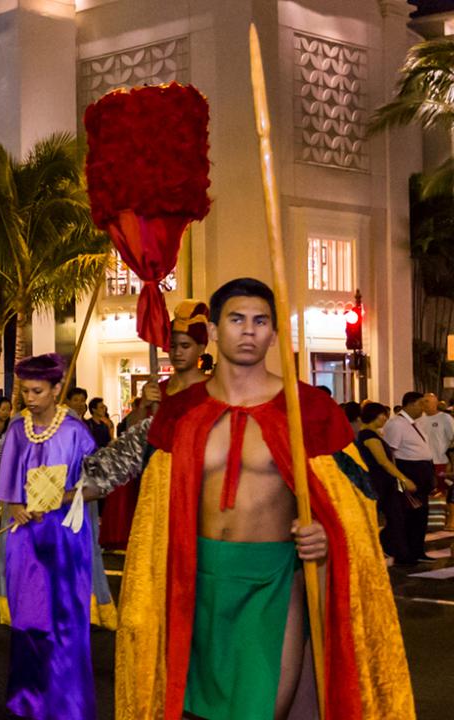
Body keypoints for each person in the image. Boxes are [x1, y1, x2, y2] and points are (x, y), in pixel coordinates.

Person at [117, 278, 414, 719]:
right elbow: (155, 513)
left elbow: (357, 504)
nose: (249, 330)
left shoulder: (308, 410)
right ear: (215, 330)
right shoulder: (180, 413)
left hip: (274, 581)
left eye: (261, 321)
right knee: (197, 707)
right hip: (196, 579)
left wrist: (328, 536)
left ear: (275, 333)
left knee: (263, 706)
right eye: (237, 319)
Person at [0, 353, 97, 718]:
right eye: (25, 391)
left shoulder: (75, 432)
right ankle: (27, 701)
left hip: (66, 537)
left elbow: (97, 484)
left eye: (37, 391)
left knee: (67, 621)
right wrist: (17, 507)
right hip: (25, 536)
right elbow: (8, 489)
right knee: (28, 620)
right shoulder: (17, 430)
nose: (29, 398)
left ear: (57, 390)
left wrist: (60, 497)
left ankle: (68, 705)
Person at [94, 300, 212, 552]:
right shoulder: (158, 390)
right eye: (173, 346)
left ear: (201, 348)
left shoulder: (213, 390)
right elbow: (133, 438)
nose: (177, 352)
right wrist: (142, 406)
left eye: (185, 346)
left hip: (197, 487)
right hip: (155, 487)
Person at [382, 391, 436, 565]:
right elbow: (391, 453)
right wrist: (402, 479)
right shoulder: (397, 424)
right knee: (408, 515)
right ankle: (402, 552)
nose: (424, 408)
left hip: (422, 472)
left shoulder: (414, 424)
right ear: (411, 404)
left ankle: (417, 550)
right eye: (422, 403)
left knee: (420, 515)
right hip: (409, 472)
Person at [356, 402, 414, 560]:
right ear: (375, 415)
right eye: (383, 415)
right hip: (377, 482)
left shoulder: (373, 434)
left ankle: (394, 550)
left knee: (395, 516)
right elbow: (383, 461)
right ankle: (378, 550)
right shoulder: (368, 435)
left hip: (383, 482)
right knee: (382, 517)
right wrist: (403, 478)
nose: (385, 418)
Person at [418, 392, 454, 532]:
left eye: (427, 401)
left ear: (435, 403)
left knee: (443, 491)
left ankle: (448, 520)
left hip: (440, 461)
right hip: (423, 462)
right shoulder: (419, 419)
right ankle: (430, 520)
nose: (424, 404)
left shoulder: (445, 418)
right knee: (428, 492)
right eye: (423, 401)